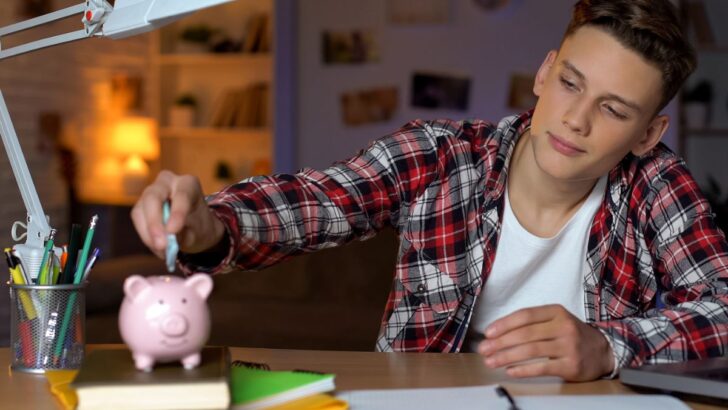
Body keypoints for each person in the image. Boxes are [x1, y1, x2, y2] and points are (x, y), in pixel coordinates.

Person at [131, 0, 728, 382]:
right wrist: (212, 225)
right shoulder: (441, 154)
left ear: (648, 133)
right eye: (571, 84)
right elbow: (319, 201)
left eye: (614, 110)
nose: (576, 120)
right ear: (545, 72)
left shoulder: (656, 184)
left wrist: (608, 345)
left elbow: (723, 306)